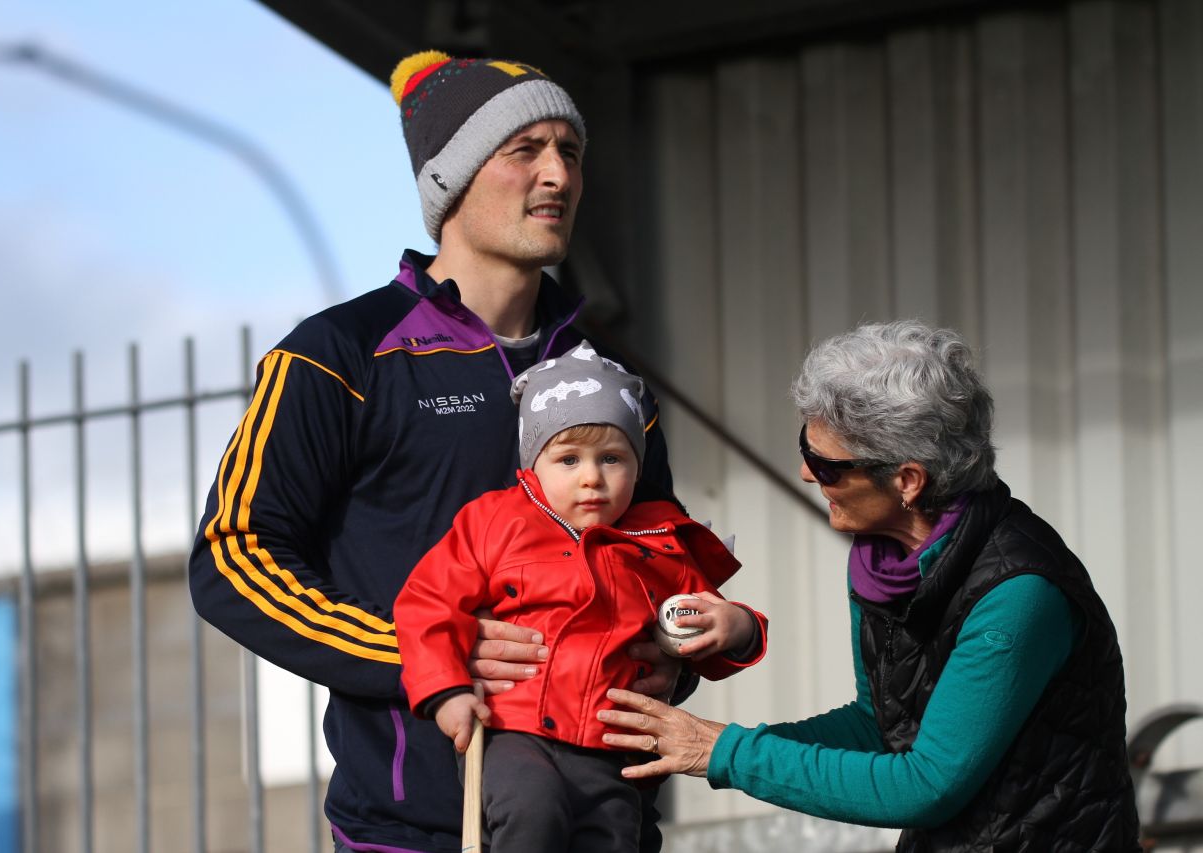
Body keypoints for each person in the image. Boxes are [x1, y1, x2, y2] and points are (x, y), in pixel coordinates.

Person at [188, 50, 683, 853]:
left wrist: (673, 645)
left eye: (570, 151)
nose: (557, 173)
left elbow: (659, 556)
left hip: (606, 826)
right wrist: (424, 652)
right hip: (407, 830)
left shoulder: (608, 381)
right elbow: (233, 557)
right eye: (525, 150)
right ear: (449, 181)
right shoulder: (335, 355)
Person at [598, 319, 1141, 851]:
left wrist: (722, 752)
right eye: (805, 448)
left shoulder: (1019, 594)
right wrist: (703, 740)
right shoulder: (886, 562)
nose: (808, 474)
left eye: (827, 465)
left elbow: (926, 786)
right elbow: (882, 727)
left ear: (907, 481)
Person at [395, 341, 768, 853]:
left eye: (612, 458)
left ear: (638, 468)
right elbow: (427, 603)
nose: (591, 477)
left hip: (611, 742)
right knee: (532, 811)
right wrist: (446, 690)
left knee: (613, 832)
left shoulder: (660, 540)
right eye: (568, 458)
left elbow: (702, 622)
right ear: (534, 462)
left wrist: (739, 628)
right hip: (513, 728)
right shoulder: (494, 521)